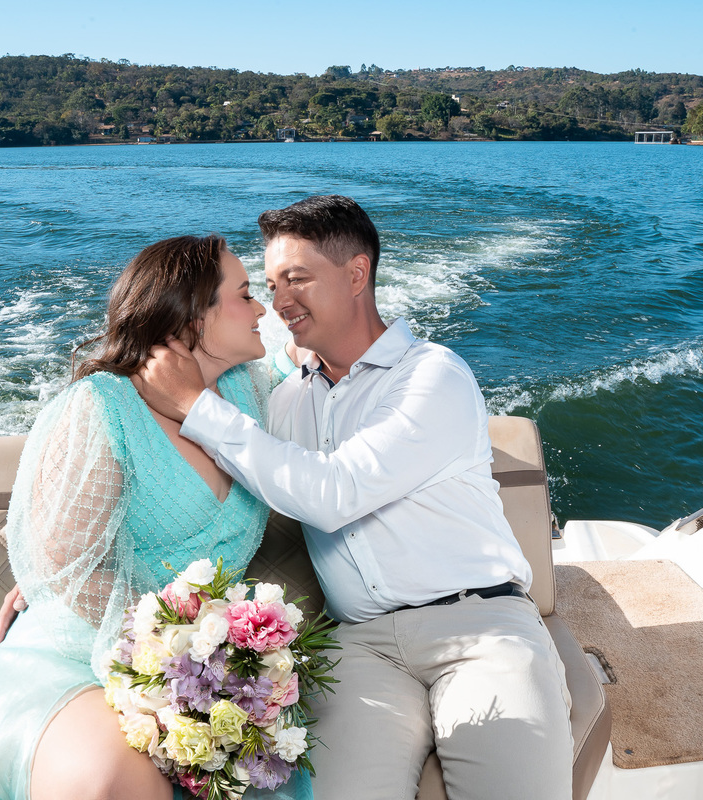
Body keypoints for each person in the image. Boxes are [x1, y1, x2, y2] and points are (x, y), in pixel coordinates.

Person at [135, 195, 573, 800]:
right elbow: (175, 466)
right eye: (267, 284)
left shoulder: (432, 376)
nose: (278, 301)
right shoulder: (286, 402)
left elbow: (333, 494)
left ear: (357, 274)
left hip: (479, 627)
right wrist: (71, 553)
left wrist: (195, 407)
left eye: (297, 279)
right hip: (360, 645)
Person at [0, 235, 312, 800]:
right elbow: (68, 572)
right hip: (83, 646)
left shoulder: (250, 390)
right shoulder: (101, 407)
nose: (263, 310)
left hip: (207, 654)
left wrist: (213, 662)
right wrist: (176, 657)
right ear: (189, 317)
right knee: (112, 781)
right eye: (247, 294)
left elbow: (319, 349)